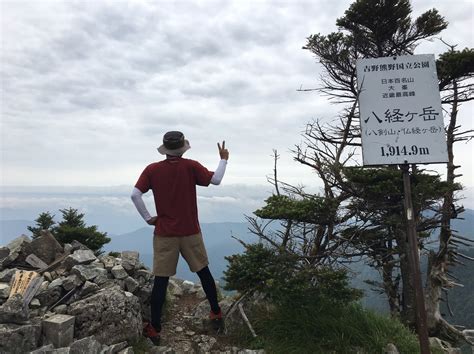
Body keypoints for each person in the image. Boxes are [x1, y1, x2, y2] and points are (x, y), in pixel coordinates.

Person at [131, 131, 229, 345]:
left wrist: (148, 218)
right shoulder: (191, 167)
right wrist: (223, 159)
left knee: (161, 280)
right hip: (190, 231)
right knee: (204, 272)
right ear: (183, 148)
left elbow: (135, 195)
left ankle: (155, 328)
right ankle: (215, 312)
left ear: (165, 149)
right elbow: (217, 180)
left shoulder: (152, 170)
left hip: (165, 233)